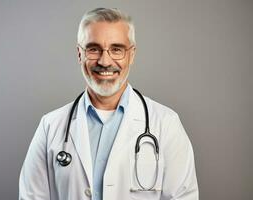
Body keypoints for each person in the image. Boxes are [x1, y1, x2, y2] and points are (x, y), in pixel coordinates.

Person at [19, 8, 199, 200]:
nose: (105, 61)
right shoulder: (51, 126)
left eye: (116, 49)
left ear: (131, 55)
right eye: (93, 49)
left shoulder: (166, 124)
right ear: (80, 54)